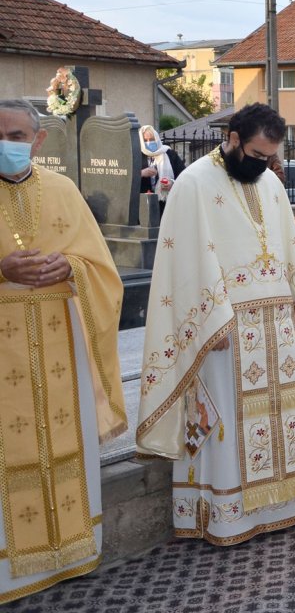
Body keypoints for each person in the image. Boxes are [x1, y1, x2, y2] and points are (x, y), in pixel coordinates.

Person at [136, 103, 295, 546]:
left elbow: (288, 248)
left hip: (277, 324)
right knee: (228, 419)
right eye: (258, 155)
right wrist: (211, 322)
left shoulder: (269, 183)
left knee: (282, 414)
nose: (265, 165)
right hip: (224, 330)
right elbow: (183, 261)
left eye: (270, 157)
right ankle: (228, 516)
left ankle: (287, 503)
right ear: (231, 138)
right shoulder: (193, 184)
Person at [0, 98, 126, 600]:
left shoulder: (63, 190)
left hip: (61, 345)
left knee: (65, 443)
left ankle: (72, 550)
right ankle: (12, 569)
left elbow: (101, 268)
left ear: (37, 140)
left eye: (16, 135)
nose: (7, 143)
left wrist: (71, 268)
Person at [138, 124, 186, 211]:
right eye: (145, 140)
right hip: (143, 203)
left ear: (156, 138)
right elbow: (127, 176)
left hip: (166, 203)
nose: (149, 142)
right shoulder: (137, 156)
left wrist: (172, 183)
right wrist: (141, 173)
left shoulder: (169, 154)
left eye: (152, 139)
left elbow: (184, 175)